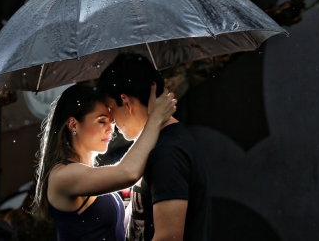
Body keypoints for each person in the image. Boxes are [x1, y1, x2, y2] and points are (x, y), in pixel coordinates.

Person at [30, 82, 177, 241]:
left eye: (112, 122)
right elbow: (128, 172)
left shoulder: (89, 174)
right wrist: (155, 117)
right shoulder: (63, 175)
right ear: (73, 124)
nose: (111, 129)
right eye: (102, 121)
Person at [97, 53, 211, 241]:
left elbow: (169, 237)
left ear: (126, 102)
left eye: (111, 109)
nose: (111, 120)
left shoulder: (167, 152)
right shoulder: (158, 145)